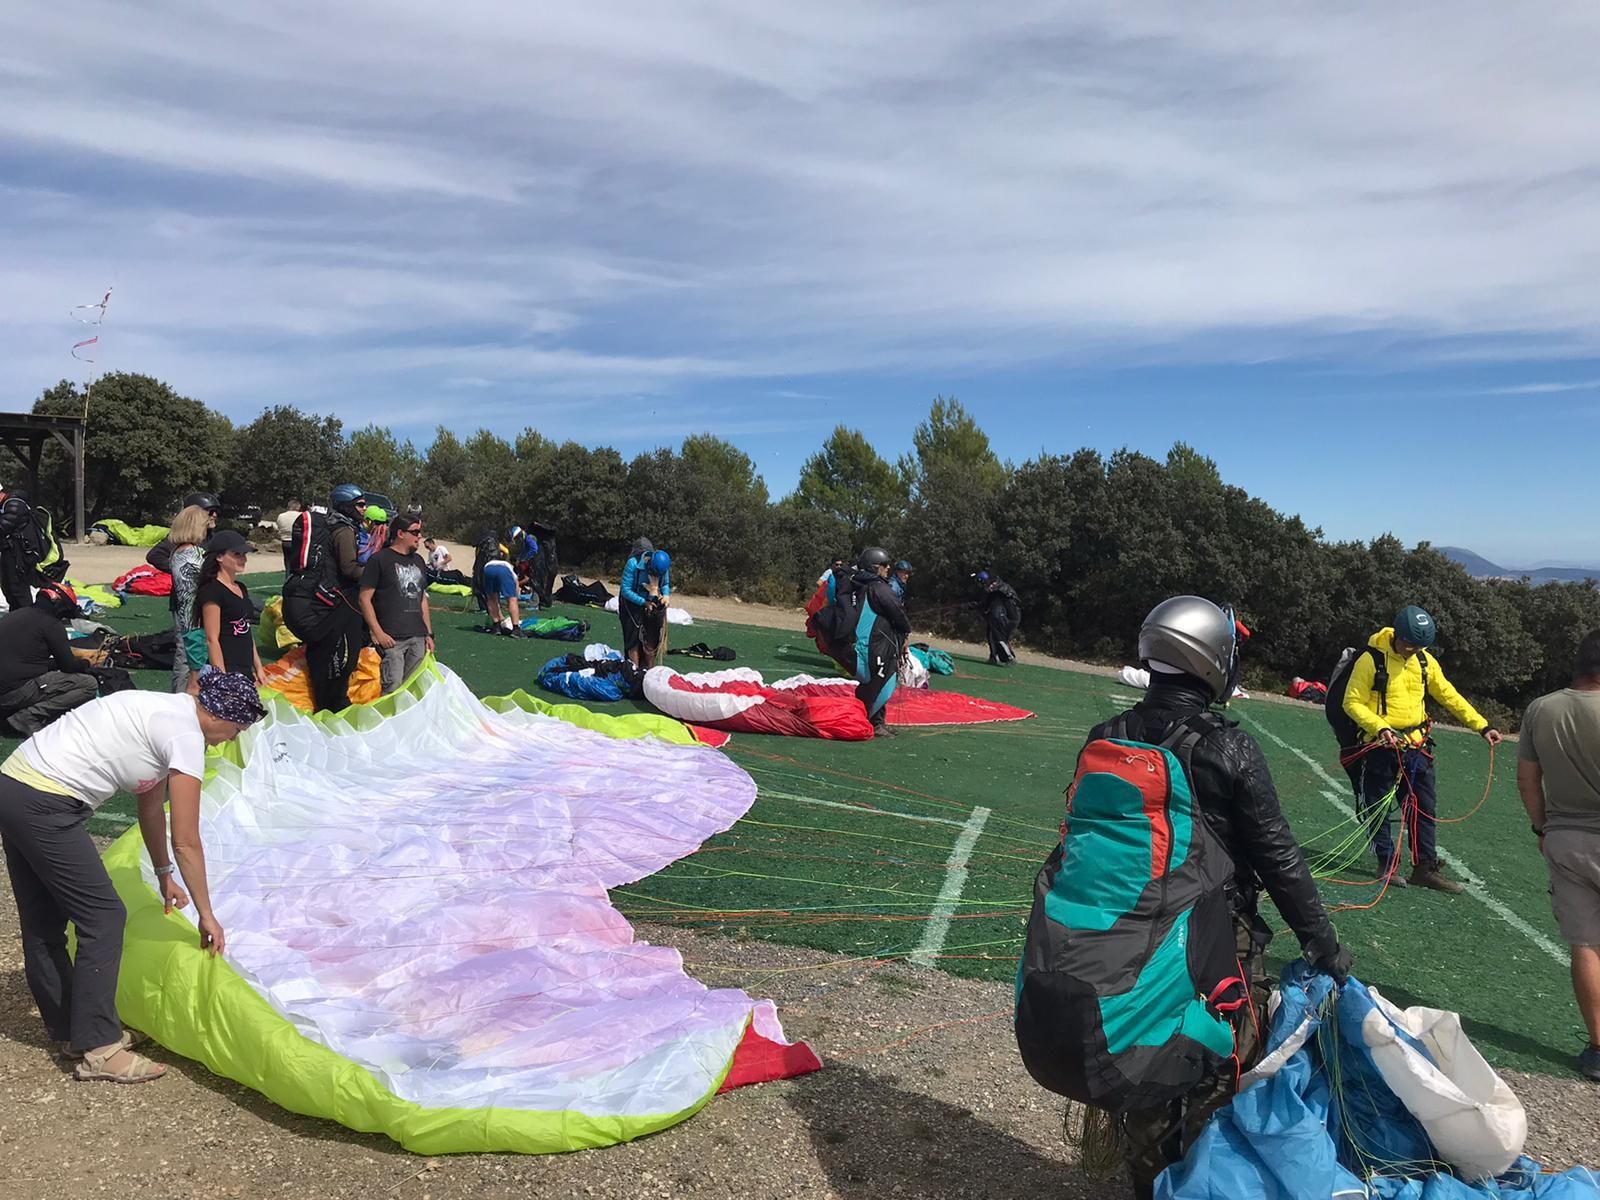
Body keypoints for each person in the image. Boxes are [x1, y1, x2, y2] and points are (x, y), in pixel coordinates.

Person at [1095, 596, 1350, 1198]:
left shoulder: (1109, 735)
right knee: (1219, 1069)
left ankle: (1148, 1181)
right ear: (1212, 659)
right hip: (1213, 943)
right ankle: (1198, 1183)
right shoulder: (1227, 748)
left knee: (1147, 1057)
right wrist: (1323, 943)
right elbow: (1278, 856)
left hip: (1126, 933)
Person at [0, 669, 265, 1082]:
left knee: (44, 922)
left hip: (14, 785)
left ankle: (75, 1031)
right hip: (46, 802)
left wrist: (163, 875)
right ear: (218, 714)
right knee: (104, 917)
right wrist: (206, 915)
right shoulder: (185, 736)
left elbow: (150, 808)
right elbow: (186, 840)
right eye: (236, 729)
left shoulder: (165, 712)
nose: (230, 739)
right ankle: (100, 1050)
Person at [1342, 605, 1502, 893]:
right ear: (1397, 635)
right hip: (1379, 746)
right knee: (1377, 807)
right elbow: (1351, 702)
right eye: (1409, 644)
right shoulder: (1370, 659)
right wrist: (1380, 727)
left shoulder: (1425, 662)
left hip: (1416, 748)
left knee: (1423, 808)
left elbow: (1448, 695)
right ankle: (1386, 864)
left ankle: (1425, 869)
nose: (1413, 650)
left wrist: (1482, 725)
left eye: (1419, 646)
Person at [1516, 630, 1600, 1082]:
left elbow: (1528, 779)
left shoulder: (1541, 709)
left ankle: (1598, 1048)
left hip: (1565, 837)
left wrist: (1541, 827)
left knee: (1585, 944)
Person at [282, 484, 368, 711]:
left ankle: (325, 702)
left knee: (323, 654)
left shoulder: (331, 526)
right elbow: (349, 568)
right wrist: (377, 572)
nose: (364, 509)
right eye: (360, 504)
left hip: (305, 603)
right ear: (346, 506)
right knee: (341, 656)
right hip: (324, 606)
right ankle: (332, 705)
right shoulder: (344, 530)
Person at [0, 583, 98, 735]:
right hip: (13, 692)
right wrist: (87, 663)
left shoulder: (15, 615)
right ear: (60, 607)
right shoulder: (51, 624)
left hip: (6, 686)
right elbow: (68, 667)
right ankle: (29, 716)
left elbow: (29, 660)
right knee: (88, 684)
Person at [358, 514, 435, 695]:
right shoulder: (380, 560)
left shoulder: (419, 561)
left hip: (417, 636)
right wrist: (378, 632)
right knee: (392, 687)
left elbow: (422, 598)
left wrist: (428, 634)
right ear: (400, 533)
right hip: (392, 639)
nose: (419, 537)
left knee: (412, 689)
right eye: (415, 532)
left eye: (420, 532)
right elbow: (364, 599)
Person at [850, 547, 912, 737]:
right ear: (875, 567)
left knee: (875, 681)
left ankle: (876, 721)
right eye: (885, 565)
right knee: (881, 682)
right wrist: (906, 629)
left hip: (868, 643)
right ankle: (867, 721)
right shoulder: (878, 587)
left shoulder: (861, 583)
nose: (888, 568)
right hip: (874, 644)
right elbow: (896, 612)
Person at [193, 530, 266, 686]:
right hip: (227, 668)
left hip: (245, 669)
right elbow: (212, 639)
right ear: (219, 557)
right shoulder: (212, 591)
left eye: (244, 554)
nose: (243, 559)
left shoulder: (241, 588)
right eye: (237, 554)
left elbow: (246, 629)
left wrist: (259, 667)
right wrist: (223, 679)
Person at [167, 504, 214, 694]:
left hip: (186, 616)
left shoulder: (177, 552)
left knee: (187, 662)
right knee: (193, 668)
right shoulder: (193, 554)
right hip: (196, 619)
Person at [619, 542, 672, 668]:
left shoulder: (663, 568)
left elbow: (665, 584)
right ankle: (635, 670)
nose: (655, 576)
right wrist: (643, 602)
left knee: (651, 638)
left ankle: (649, 669)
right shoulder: (633, 564)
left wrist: (666, 595)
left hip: (651, 600)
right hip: (631, 603)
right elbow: (625, 590)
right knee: (633, 638)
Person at [146, 493, 220, 574]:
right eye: (210, 512)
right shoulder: (182, 539)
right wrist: (180, 569)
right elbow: (154, 556)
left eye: (216, 511)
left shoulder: (215, 539)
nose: (215, 515)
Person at [0, 484, 45, 611]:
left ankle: (27, 617)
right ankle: (16, 616)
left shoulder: (14, 504)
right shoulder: (5, 505)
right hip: (9, 552)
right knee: (8, 588)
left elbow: (4, 526)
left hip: (19, 555)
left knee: (18, 589)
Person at [475, 531, 525, 637]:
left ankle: (496, 626)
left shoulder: (485, 559)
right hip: (503, 571)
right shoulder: (507, 565)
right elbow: (516, 584)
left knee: (491, 598)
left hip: (488, 568)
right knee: (512, 600)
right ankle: (516, 629)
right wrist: (516, 593)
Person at [973, 569, 1022, 665]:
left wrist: (971, 606)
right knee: (992, 633)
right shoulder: (999, 586)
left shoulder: (995, 590)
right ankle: (994, 657)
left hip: (1007, 617)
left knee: (998, 636)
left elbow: (985, 603)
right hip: (1007, 616)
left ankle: (1009, 657)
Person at [275, 500, 303, 575]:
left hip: (285, 541)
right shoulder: (301, 515)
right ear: (297, 507)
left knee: (287, 562)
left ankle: (287, 577)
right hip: (297, 541)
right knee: (297, 563)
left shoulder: (281, 516)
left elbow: (279, 527)